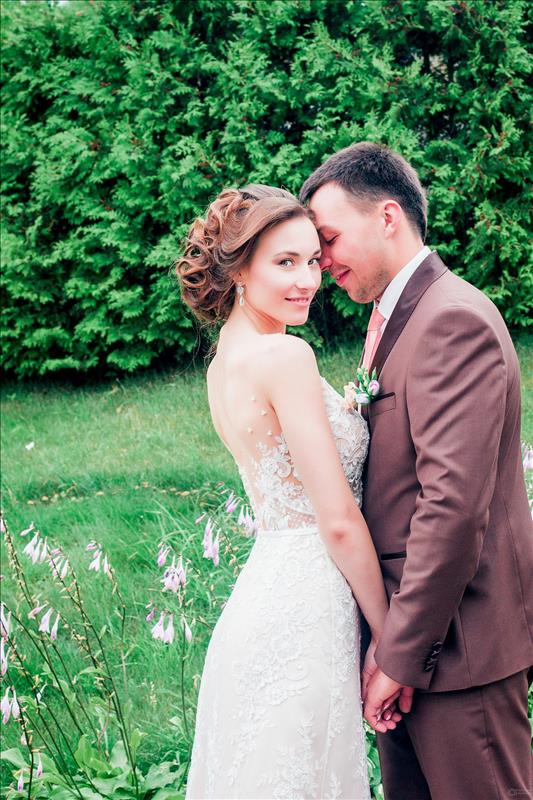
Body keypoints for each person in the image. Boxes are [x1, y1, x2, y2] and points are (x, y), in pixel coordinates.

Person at [300, 141, 533, 800]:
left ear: (387, 217)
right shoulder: (395, 316)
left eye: (328, 239)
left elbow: (451, 510)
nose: (322, 261)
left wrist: (399, 656)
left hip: (458, 649)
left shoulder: (450, 319)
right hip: (414, 641)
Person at [177, 184, 398, 799]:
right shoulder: (285, 356)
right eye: (285, 262)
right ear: (239, 270)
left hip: (265, 595)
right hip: (306, 610)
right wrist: (390, 639)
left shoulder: (224, 363)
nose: (307, 280)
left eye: (313, 261)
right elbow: (338, 521)